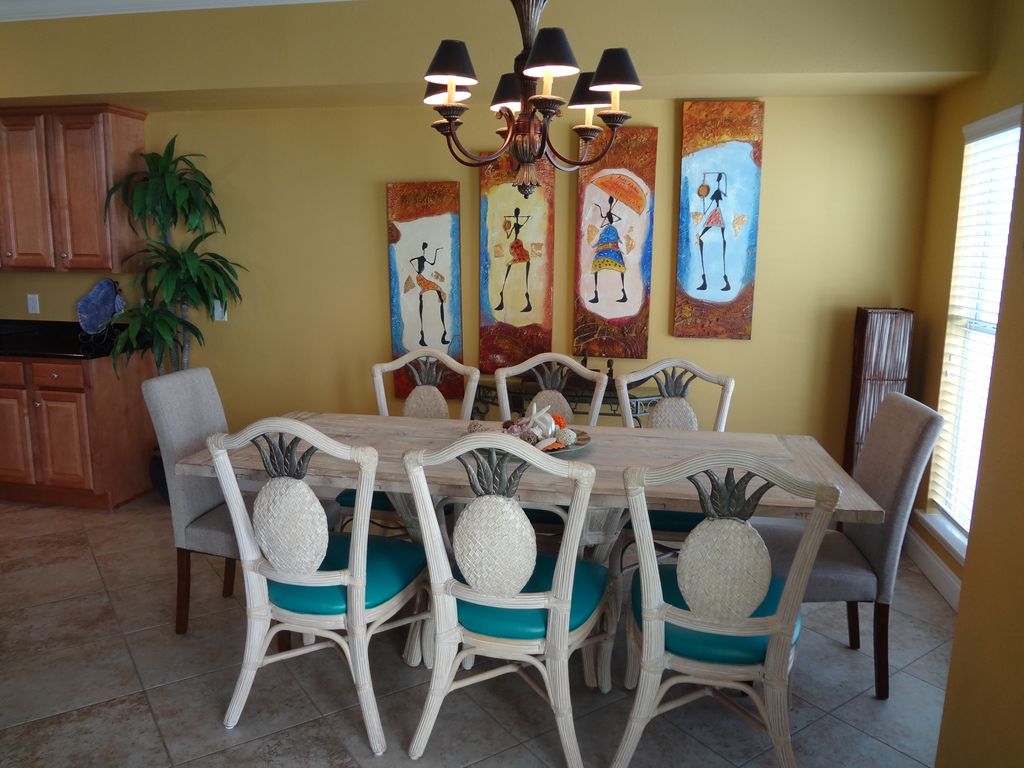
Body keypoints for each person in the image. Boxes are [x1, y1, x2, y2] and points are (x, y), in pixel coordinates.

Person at [588, 195, 628, 304]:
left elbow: (608, 220)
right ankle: (597, 294)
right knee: (614, 268)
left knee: (613, 268)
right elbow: (606, 219)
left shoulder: (610, 229)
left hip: (608, 249)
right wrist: (602, 210)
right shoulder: (610, 229)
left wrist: (607, 214)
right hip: (607, 249)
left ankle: (622, 293)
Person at [409, 242, 450, 347]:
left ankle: (442, 333)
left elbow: (432, 263)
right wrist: (417, 270)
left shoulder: (423, 257)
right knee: (437, 289)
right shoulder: (420, 257)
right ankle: (423, 335)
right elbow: (411, 261)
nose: (425, 249)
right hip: (420, 278)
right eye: (425, 247)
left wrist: (436, 252)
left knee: (438, 290)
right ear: (424, 248)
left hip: (422, 278)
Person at [495, 207, 534, 312]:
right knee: (512, 267)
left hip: (518, 248)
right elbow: (509, 235)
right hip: (516, 246)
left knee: (516, 267)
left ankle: (524, 298)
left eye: (516, 213)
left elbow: (520, 226)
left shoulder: (517, 225)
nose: (517, 214)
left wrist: (524, 220)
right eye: (517, 213)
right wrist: (507, 229)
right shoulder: (516, 225)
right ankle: (504, 296)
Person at [696, 172, 730, 291]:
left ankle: (722, 279)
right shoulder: (718, 191)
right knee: (704, 239)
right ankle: (708, 280)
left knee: (719, 240)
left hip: (717, 216)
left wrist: (705, 209)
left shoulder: (719, 192)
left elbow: (714, 202)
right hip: (716, 216)